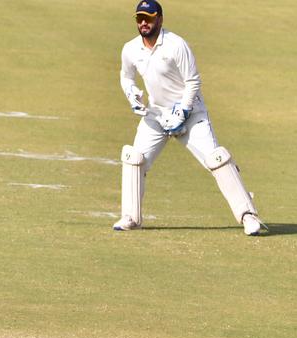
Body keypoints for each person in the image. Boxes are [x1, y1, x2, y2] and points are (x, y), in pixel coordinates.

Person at [113, 0, 266, 236]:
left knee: (217, 159)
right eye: (140, 18)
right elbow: (126, 78)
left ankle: (248, 216)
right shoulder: (130, 49)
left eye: (149, 18)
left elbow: (193, 81)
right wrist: (132, 95)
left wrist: (182, 111)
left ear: (160, 19)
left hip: (191, 114)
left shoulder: (176, 45)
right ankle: (131, 217)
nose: (144, 23)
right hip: (156, 115)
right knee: (135, 159)